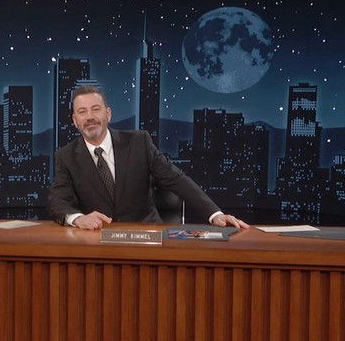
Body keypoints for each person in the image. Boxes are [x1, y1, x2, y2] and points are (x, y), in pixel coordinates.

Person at [48, 85, 249, 231]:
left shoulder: (139, 142)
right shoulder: (66, 156)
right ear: (75, 121)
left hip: (146, 236)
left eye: (95, 109)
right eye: (82, 112)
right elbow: (57, 200)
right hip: (99, 240)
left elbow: (176, 179)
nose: (90, 117)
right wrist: (78, 219)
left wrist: (215, 214)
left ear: (108, 114)